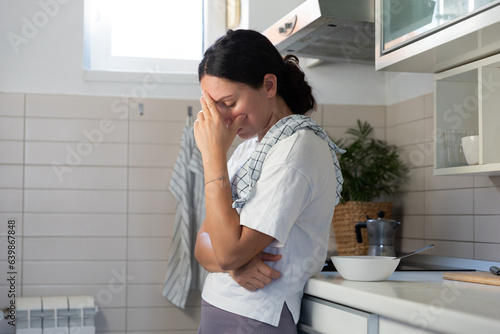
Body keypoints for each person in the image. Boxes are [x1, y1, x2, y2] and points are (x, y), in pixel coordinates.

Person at [193, 29, 344, 333]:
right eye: (214, 108)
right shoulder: (250, 149)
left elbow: (225, 252)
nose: (222, 121)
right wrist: (234, 264)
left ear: (269, 85)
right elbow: (202, 246)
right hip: (219, 305)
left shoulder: (297, 150)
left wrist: (212, 156)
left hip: (255, 315)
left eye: (230, 103)